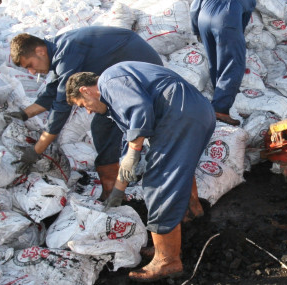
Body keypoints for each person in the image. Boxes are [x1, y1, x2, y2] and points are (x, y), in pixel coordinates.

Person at [65, 62, 216, 282]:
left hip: (179, 115)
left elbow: (140, 110)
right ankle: (191, 212)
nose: (87, 110)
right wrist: (118, 191)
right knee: (178, 168)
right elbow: (130, 143)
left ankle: (167, 260)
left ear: (85, 90)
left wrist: (134, 152)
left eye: (83, 104)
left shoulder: (109, 81)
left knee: (158, 181)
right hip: (198, 111)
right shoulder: (118, 92)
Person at [7, 26, 163, 200]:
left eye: (30, 65)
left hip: (142, 75)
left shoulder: (68, 51)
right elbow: (56, 89)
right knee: (102, 125)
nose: (32, 72)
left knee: (103, 125)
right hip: (126, 74)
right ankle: (113, 189)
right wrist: (23, 115)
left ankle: (113, 191)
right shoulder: (61, 50)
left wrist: (36, 151)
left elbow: (61, 106)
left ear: (40, 51)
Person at [190, 0, 256, 126]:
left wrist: (196, 30)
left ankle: (217, 95)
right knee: (233, 63)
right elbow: (242, 23)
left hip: (203, 19)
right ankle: (220, 109)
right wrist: (235, 36)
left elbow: (194, 7)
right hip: (226, 19)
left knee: (215, 61)